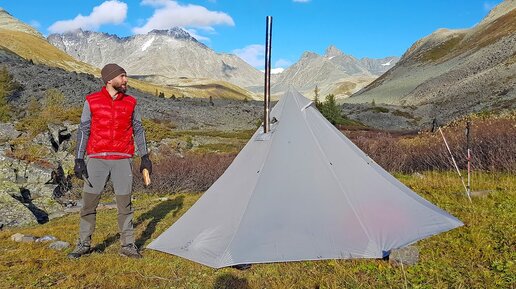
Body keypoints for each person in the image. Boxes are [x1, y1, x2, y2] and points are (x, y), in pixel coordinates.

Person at [68, 63, 152, 259]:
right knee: (89, 204)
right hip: (96, 159)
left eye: (125, 76)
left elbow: (139, 130)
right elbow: (83, 130)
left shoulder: (131, 102)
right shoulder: (91, 101)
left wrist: (145, 157)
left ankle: (128, 245)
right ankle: (83, 244)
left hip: (122, 159)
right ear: (110, 79)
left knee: (125, 204)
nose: (126, 80)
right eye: (122, 76)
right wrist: (79, 159)